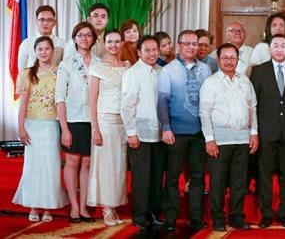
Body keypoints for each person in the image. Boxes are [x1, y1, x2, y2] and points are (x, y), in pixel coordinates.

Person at [199, 43, 258, 232]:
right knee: (217, 182)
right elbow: (204, 113)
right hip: (219, 141)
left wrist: (254, 133)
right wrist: (209, 139)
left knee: (239, 183)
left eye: (233, 58)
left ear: (238, 59)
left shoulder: (245, 81)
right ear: (218, 59)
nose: (229, 61)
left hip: (242, 140)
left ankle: (236, 217)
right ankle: (218, 219)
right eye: (225, 58)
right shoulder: (211, 82)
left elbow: (252, 109)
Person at [158, 30, 212, 231]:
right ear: (179, 45)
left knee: (197, 178)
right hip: (176, 132)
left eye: (195, 44)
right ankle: (170, 217)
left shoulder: (205, 70)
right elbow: (162, 101)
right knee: (172, 177)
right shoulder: (168, 70)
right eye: (187, 44)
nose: (191, 47)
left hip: (199, 133)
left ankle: (196, 217)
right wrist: (166, 128)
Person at [250, 34, 285, 229]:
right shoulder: (259, 71)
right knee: (264, 174)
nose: (280, 49)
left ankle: (284, 212)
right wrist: (254, 131)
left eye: (283, 45)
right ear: (269, 48)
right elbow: (253, 104)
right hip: (266, 131)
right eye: (276, 45)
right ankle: (266, 213)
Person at [13, 36, 68, 222]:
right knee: (33, 167)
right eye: (40, 49)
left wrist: (64, 128)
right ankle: (34, 206)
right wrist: (20, 128)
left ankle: (48, 207)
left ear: (53, 51)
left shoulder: (59, 72)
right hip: (32, 125)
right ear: (35, 52)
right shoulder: (28, 74)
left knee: (51, 166)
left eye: (47, 49)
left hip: (52, 125)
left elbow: (61, 102)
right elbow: (23, 104)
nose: (44, 52)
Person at [55, 22, 99, 223]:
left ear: (93, 39)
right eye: (80, 35)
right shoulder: (66, 64)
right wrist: (64, 128)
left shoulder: (99, 63)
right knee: (72, 161)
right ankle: (73, 207)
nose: (84, 38)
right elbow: (59, 98)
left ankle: (83, 207)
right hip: (72, 120)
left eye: (88, 35)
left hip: (94, 121)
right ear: (74, 38)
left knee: (88, 163)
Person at [121, 35, 165, 234]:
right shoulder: (133, 73)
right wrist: (131, 133)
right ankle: (139, 216)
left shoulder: (162, 71)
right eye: (147, 50)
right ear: (138, 52)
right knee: (141, 178)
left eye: (155, 49)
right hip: (140, 133)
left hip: (160, 134)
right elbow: (127, 105)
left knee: (157, 177)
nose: (152, 53)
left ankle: (154, 214)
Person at [86, 31, 130, 226]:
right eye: (110, 41)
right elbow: (92, 101)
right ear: (104, 43)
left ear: (122, 43)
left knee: (120, 166)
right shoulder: (97, 68)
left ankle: (114, 205)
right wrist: (95, 129)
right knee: (105, 165)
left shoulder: (127, 67)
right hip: (104, 121)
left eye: (117, 41)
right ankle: (106, 208)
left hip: (123, 123)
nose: (113, 45)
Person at [17, 5, 65, 72]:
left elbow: (66, 71)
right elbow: (21, 72)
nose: (45, 23)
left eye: (49, 20)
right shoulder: (26, 44)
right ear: (36, 21)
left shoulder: (62, 44)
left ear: (54, 22)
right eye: (42, 20)